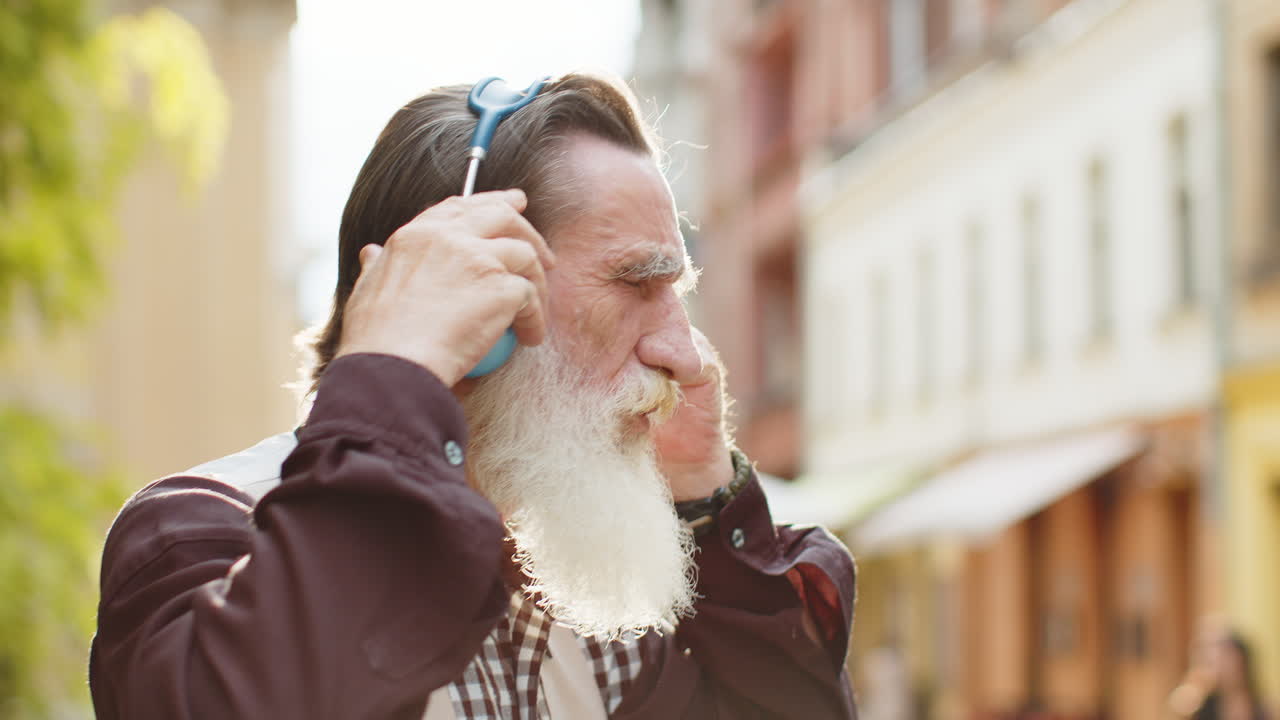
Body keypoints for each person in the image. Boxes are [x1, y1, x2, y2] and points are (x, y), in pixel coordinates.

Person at [89, 73, 858, 719]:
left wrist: (706, 509)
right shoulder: (205, 530)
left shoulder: (594, 570)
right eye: (634, 282)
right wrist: (397, 367)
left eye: (677, 291)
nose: (686, 353)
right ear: (462, 288)